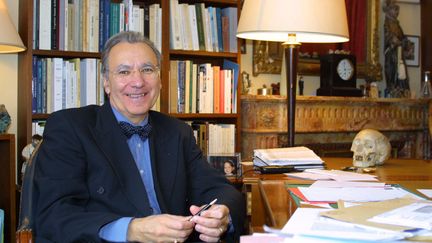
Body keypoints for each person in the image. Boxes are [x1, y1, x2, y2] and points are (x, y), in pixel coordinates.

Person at [33, 31, 245, 242]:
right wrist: (131, 229)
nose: (138, 81)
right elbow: (54, 215)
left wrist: (222, 215)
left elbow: (220, 189)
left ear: (160, 80)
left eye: (147, 69)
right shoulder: (70, 127)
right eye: (124, 72)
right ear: (106, 82)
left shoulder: (178, 132)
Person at [383, 0, 410, 98]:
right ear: (388, 10)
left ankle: (401, 90)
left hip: (399, 54)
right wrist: (396, 41)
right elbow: (390, 37)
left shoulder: (397, 25)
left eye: (397, 9)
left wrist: (407, 44)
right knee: (392, 72)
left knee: (401, 74)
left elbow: (403, 38)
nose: (397, 12)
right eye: (395, 9)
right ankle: (393, 89)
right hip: (391, 55)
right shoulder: (387, 24)